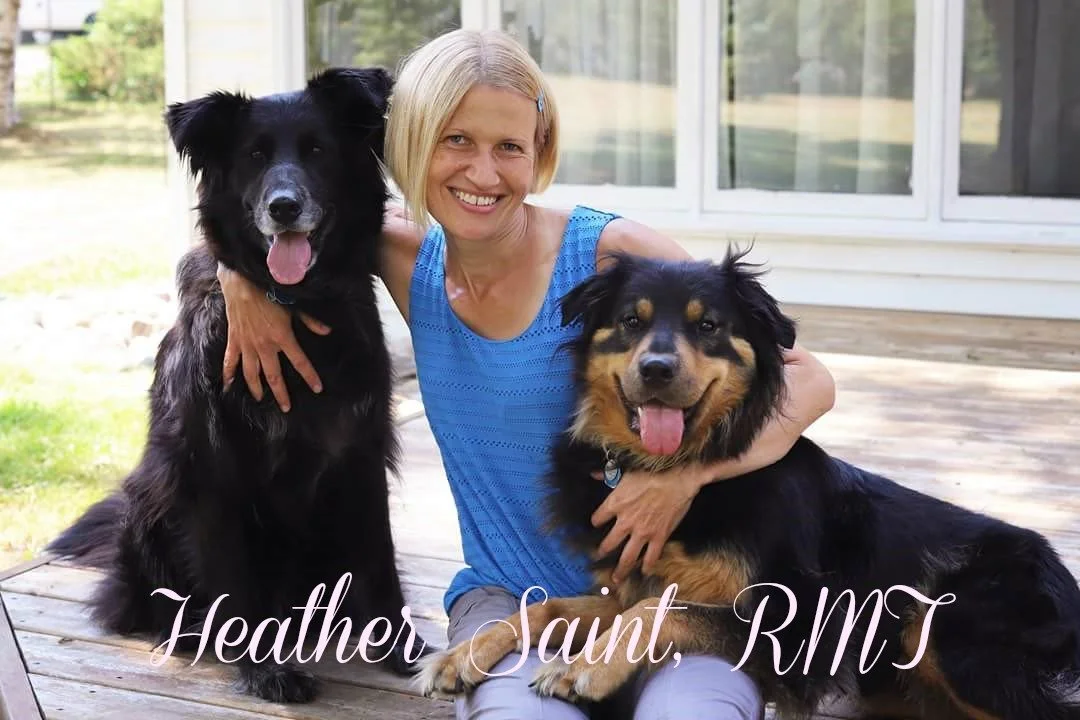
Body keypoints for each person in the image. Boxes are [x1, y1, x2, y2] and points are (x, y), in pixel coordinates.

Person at [216, 28, 835, 720]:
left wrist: (689, 477)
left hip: (669, 598)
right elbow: (243, 215)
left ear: (539, 153)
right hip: (511, 600)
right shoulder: (399, 254)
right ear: (414, 143)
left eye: (509, 147)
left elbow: (808, 381)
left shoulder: (610, 253)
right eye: (457, 141)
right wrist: (235, 282)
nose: (484, 174)